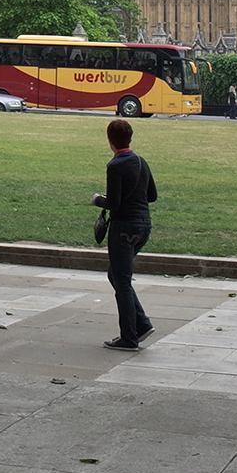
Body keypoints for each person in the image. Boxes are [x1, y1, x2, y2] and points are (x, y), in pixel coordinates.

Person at [92, 117, 157, 351]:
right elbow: (152, 196)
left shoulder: (115, 166)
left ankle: (129, 336)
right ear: (130, 138)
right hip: (143, 225)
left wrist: (98, 200)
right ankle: (141, 323)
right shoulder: (141, 161)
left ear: (110, 140)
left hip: (123, 229)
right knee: (118, 276)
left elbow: (115, 203)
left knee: (121, 281)